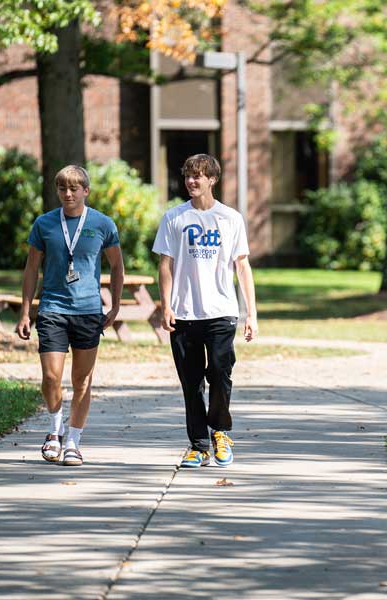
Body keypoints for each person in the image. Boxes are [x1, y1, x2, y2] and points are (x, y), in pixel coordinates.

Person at [153, 154, 258, 469]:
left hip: (221, 313)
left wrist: (250, 313)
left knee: (220, 375)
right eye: (187, 176)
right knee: (192, 382)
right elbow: (166, 265)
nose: (191, 181)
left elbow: (242, 266)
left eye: (198, 176)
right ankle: (198, 445)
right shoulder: (174, 218)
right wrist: (166, 305)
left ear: (213, 179)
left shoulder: (230, 218)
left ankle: (221, 432)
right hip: (184, 315)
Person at [16, 165, 123, 467]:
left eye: (75, 188)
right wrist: (26, 312)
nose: (68, 193)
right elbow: (31, 269)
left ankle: (74, 440)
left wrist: (114, 305)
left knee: (82, 380)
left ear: (86, 191)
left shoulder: (103, 224)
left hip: (88, 311)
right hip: (52, 308)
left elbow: (116, 266)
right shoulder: (44, 224)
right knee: (51, 376)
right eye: (63, 188)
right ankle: (54, 430)